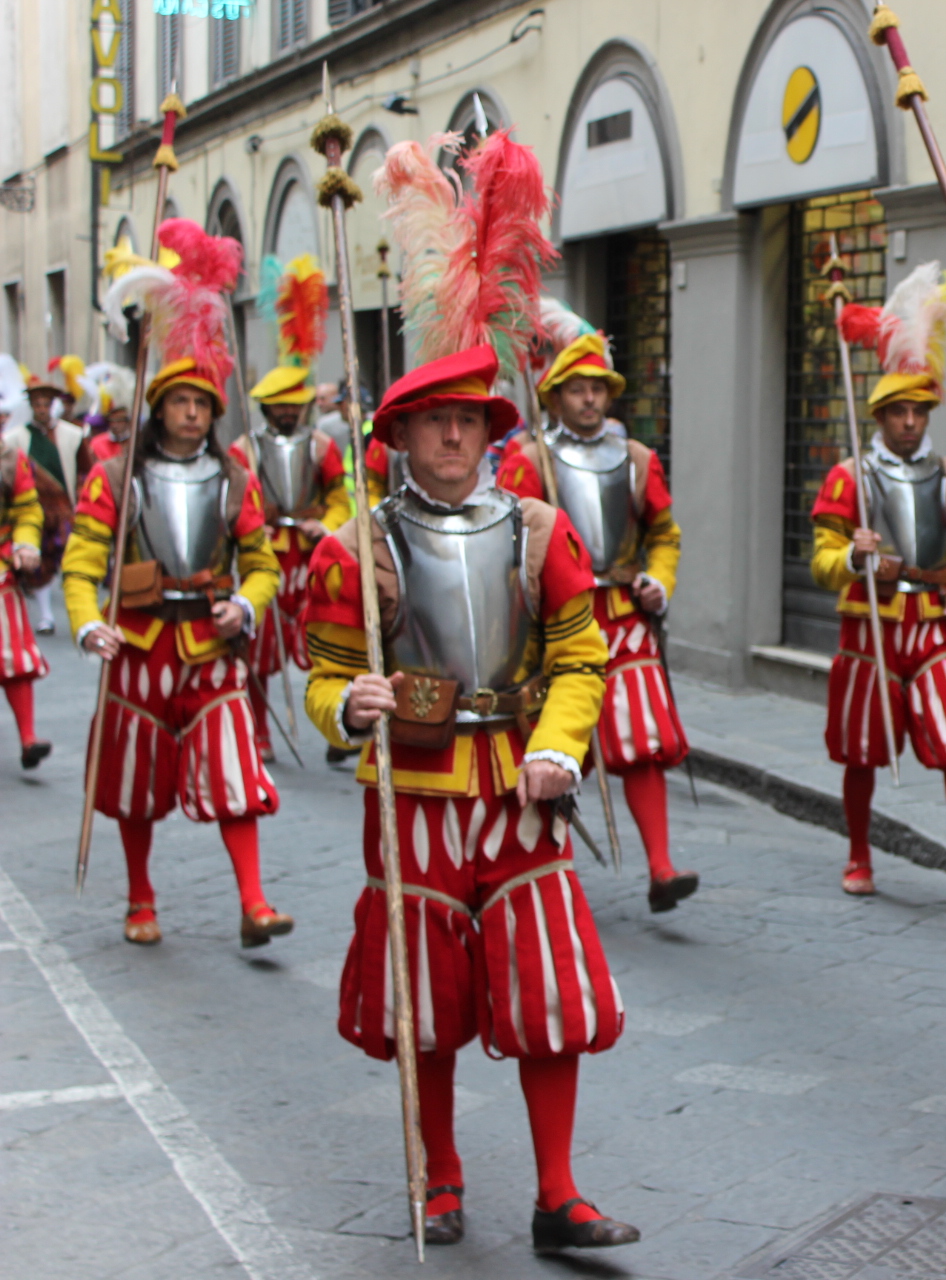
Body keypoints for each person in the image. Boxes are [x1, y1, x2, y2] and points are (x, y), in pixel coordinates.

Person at [302, 344, 638, 1251]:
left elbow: (582, 657)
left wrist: (560, 746)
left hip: (522, 790)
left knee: (549, 989)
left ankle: (559, 1195)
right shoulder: (353, 547)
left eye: (470, 421)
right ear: (401, 435)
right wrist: (346, 704)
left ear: (489, 433)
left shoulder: (541, 531)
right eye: (435, 422)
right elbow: (323, 677)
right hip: (411, 794)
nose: (454, 435)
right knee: (425, 999)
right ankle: (438, 1175)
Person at [68, 216, 293, 951]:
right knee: (135, 780)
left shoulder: (234, 480)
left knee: (235, 768)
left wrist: (246, 605)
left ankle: (255, 902)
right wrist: (86, 621)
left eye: (201, 403)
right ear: (159, 407)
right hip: (138, 644)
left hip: (211, 645)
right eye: (179, 402)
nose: (192, 413)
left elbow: (262, 562)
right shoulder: (115, 476)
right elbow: (83, 560)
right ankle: (140, 898)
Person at [497, 316, 697, 912]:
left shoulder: (637, 458)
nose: (589, 399)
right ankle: (550, 869)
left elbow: (663, 533)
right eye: (578, 389)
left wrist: (660, 581)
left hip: (625, 612)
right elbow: (509, 542)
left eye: (598, 389)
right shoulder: (529, 460)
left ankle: (661, 867)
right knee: (560, 741)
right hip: (558, 618)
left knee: (642, 736)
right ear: (555, 397)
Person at [812, 261, 946, 901]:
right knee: (862, 747)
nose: (911, 421)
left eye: (919, 410)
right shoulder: (849, 477)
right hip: (871, 626)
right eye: (899, 411)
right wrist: (852, 555)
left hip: (935, 625)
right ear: (880, 416)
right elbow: (821, 559)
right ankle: (859, 855)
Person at [230, 256, 351, 763]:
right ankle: (258, 732)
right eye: (277, 405)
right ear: (265, 407)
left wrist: (326, 525)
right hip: (265, 557)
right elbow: (236, 505)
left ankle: (338, 726)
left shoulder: (322, 446)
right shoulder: (244, 449)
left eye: (292, 404)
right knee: (259, 651)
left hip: (311, 555)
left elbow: (341, 498)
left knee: (329, 640)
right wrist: (254, 531)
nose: (285, 412)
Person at [3, 370, 83, 632]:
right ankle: (46, 615)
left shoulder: (73, 435)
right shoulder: (15, 438)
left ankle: (78, 614)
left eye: (45, 404)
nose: (41, 409)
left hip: (63, 509)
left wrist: (82, 504)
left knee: (68, 560)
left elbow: (85, 473)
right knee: (42, 567)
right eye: (36, 404)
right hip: (36, 509)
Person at [0, 430, 50, 766]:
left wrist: (26, 544)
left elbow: (29, 509)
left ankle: (28, 739)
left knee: (14, 659)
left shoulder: (8, 457)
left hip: (1, 572)